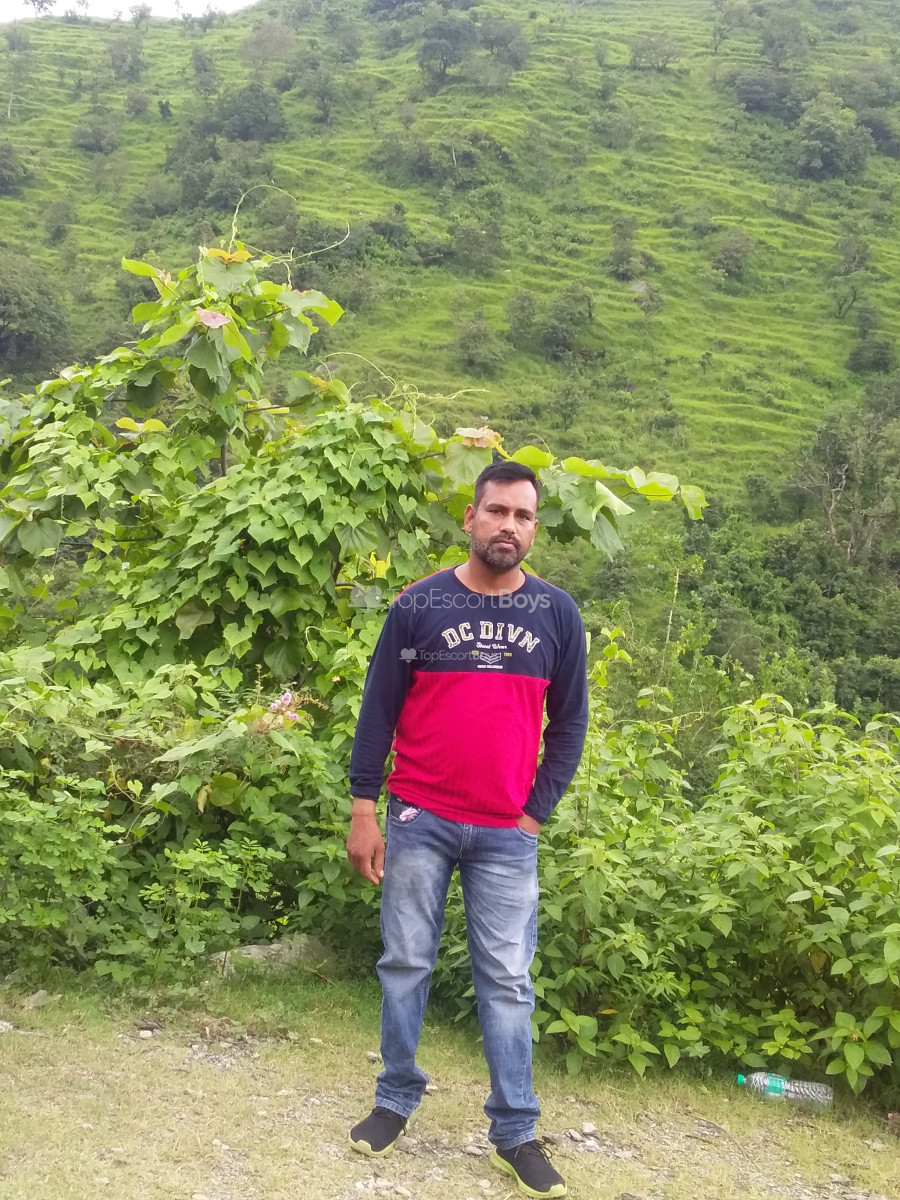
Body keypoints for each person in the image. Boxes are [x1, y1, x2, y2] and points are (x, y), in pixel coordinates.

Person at [346, 460, 589, 1199]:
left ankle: (515, 1131)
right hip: (418, 816)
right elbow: (378, 710)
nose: (508, 526)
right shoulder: (418, 606)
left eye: (523, 515)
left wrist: (534, 813)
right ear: (471, 518)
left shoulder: (556, 615)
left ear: (534, 529)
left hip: (507, 834)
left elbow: (569, 725)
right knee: (405, 963)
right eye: (497, 511)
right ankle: (395, 1101)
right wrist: (364, 809)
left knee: (508, 982)